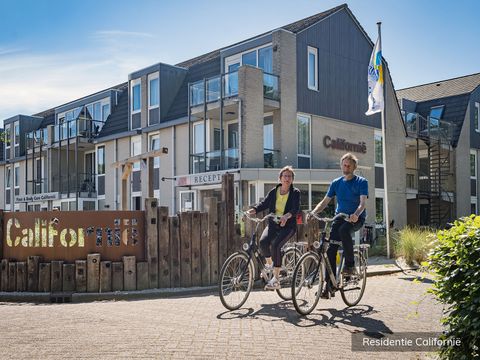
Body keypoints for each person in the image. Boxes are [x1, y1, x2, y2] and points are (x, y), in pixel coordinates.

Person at [309, 153, 368, 296]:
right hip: (339, 217)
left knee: (344, 231)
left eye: (349, 165)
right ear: (341, 165)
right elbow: (325, 201)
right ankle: (329, 286)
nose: (346, 167)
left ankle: (350, 265)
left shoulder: (361, 182)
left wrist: (356, 214)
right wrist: (313, 212)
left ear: (354, 167)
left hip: (355, 218)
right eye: (344, 164)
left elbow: (362, 203)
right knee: (330, 250)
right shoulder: (336, 182)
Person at [247, 166, 300, 290]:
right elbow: (264, 203)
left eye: (289, 176)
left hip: (288, 226)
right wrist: (254, 209)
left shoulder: (295, 192)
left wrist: (286, 217)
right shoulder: (274, 191)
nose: (287, 178)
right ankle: (271, 264)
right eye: (285, 176)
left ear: (292, 180)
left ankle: (276, 280)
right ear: (280, 178)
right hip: (273, 224)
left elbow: (295, 208)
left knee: (276, 245)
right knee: (263, 242)